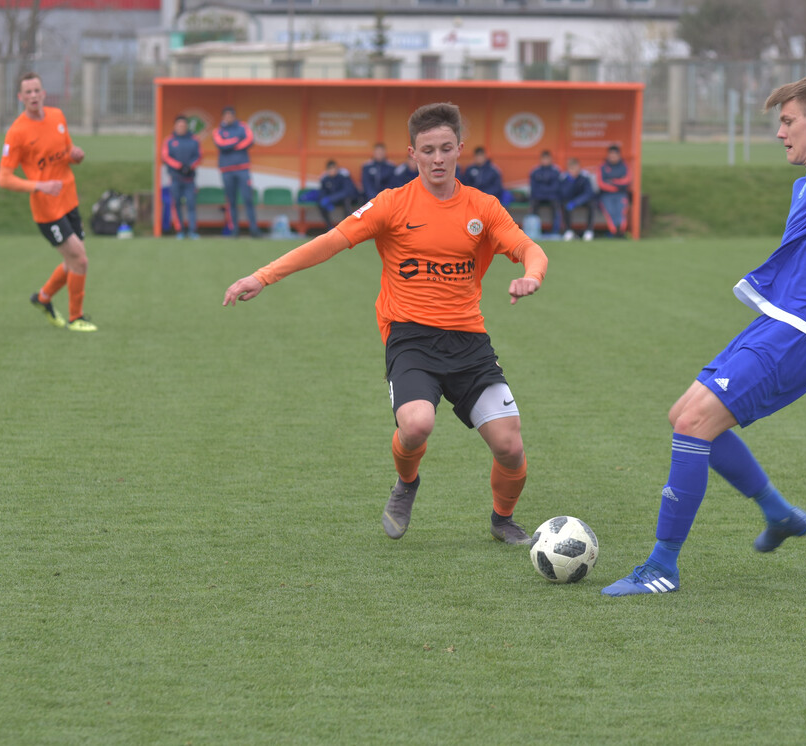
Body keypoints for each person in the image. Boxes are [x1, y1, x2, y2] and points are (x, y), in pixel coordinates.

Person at [602, 75, 806, 597]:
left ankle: (662, 567)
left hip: (803, 331)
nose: (780, 132)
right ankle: (779, 514)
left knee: (691, 422)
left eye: (787, 120)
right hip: (780, 322)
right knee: (683, 415)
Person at [223, 102, 548, 545]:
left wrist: (532, 276)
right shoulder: (392, 204)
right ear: (412, 154)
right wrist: (262, 276)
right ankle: (406, 484)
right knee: (415, 426)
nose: (437, 158)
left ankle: (501, 519)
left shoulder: (483, 207)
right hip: (410, 337)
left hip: (469, 340)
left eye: (446, 149)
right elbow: (328, 242)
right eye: (428, 150)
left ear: (460, 152)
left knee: (510, 446)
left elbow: (530, 248)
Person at [0, 71, 97, 332]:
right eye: (27, 92)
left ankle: (42, 299)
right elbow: (4, 178)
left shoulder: (57, 117)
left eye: (36, 90)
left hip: (69, 199)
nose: (33, 96)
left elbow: (65, 153)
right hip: (47, 210)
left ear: (43, 94)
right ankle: (76, 318)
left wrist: (75, 155)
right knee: (81, 261)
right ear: (20, 98)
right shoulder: (17, 132)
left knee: (73, 262)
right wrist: (39, 185)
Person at [212, 105, 261, 238]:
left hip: (243, 169)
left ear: (234, 116)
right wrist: (236, 141)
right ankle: (234, 231)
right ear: (223, 117)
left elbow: (250, 140)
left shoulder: (243, 127)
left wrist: (230, 145)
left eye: (230, 115)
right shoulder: (218, 130)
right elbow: (221, 144)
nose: (228, 118)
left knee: (248, 199)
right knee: (231, 201)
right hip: (227, 170)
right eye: (226, 115)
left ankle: (254, 230)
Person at [161, 115, 201, 239]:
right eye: (179, 125)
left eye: (183, 125)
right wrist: (179, 166)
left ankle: (192, 231)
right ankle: (180, 231)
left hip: (189, 179)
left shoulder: (194, 140)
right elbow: (165, 157)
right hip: (175, 178)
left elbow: (199, 156)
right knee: (176, 204)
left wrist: (189, 167)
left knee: (191, 204)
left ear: (187, 126)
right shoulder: (169, 140)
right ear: (175, 126)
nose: (181, 127)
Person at [597, 144, 632, 238]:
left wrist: (612, 182)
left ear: (619, 155)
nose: (612, 156)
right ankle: (614, 232)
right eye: (611, 154)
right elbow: (601, 184)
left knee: (621, 212)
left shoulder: (624, 166)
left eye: (615, 154)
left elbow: (627, 181)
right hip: (606, 195)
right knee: (610, 212)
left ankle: (621, 232)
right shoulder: (603, 167)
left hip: (621, 194)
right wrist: (617, 185)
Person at [559, 157, 597, 242]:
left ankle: (589, 231)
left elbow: (589, 193)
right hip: (570, 201)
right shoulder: (564, 178)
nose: (574, 170)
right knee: (564, 204)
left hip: (581, 201)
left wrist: (576, 202)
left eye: (576, 167)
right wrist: (571, 182)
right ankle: (568, 230)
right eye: (572, 168)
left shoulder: (585, 177)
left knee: (592, 204)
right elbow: (564, 194)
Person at [317, 159, 360, 228]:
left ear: (337, 168)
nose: (332, 171)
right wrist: (323, 199)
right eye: (330, 169)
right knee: (320, 203)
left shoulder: (343, 176)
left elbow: (347, 191)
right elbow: (323, 191)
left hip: (348, 199)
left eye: (333, 168)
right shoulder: (325, 179)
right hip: (333, 200)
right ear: (327, 170)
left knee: (346, 201)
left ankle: (348, 226)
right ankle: (329, 227)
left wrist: (330, 199)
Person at [528, 150, 563, 235]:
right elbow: (534, 188)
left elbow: (556, 187)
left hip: (552, 197)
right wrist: (545, 190)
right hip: (538, 196)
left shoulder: (556, 171)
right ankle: (535, 231)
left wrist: (543, 190)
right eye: (544, 159)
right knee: (533, 206)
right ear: (540, 160)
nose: (545, 161)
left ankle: (555, 231)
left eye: (547, 159)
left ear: (551, 159)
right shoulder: (535, 171)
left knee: (556, 206)